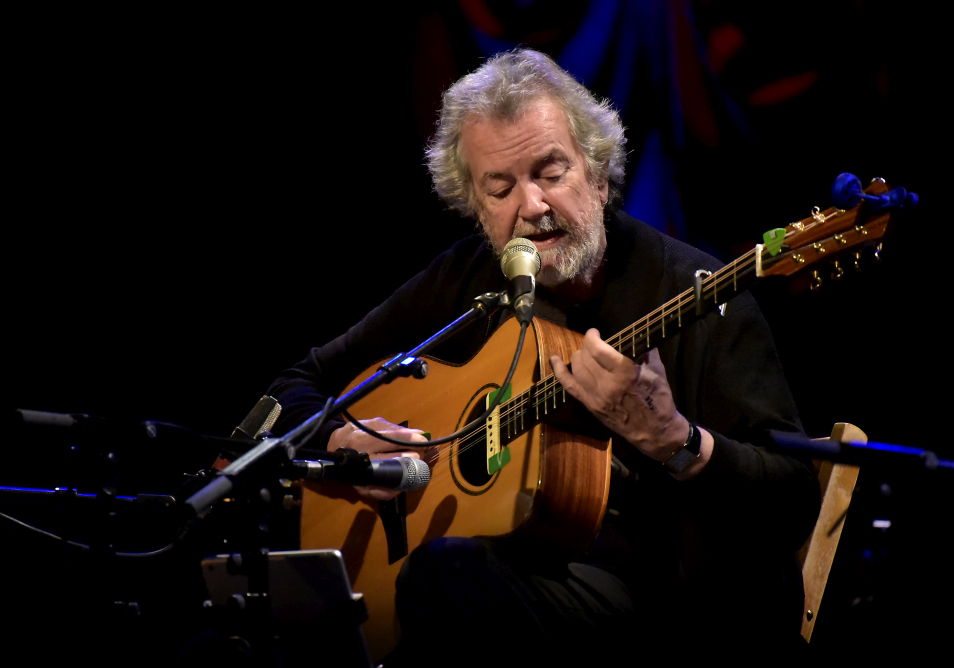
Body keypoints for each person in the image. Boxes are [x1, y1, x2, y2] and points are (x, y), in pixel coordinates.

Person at [267, 49, 819, 665]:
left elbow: (794, 499)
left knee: (445, 579)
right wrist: (345, 441)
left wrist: (673, 439)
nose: (531, 206)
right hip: (506, 591)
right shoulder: (468, 282)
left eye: (551, 173)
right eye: (500, 189)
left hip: (668, 610)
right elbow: (298, 385)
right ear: (477, 209)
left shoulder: (701, 295)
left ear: (599, 175)